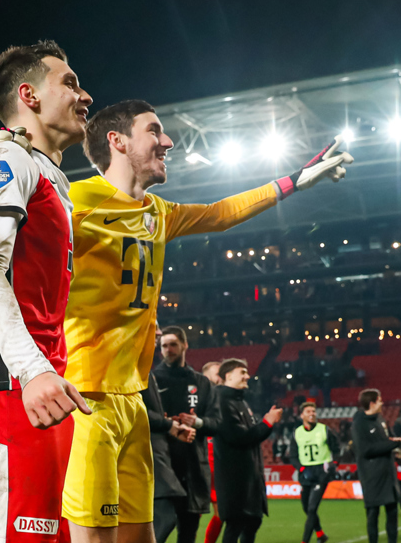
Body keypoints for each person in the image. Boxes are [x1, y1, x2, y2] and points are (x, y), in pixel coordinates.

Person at [63, 99, 352, 543]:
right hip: (87, 394)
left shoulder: (157, 212)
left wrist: (294, 181)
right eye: (154, 130)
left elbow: (220, 214)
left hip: (133, 399)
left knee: (142, 534)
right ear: (116, 141)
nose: (168, 141)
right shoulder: (73, 199)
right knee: (93, 537)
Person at [0, 40, 94, 543]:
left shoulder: (51, 176)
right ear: (29, 95)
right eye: (69, 83)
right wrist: (32, 370)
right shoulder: (4, 156)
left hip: (40, 389)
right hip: (5, 390)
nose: (84, 95)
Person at [152, 327, 220, 543]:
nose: (168, 350)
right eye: (164, 345)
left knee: (188, 534)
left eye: (173, 344)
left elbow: (217, 423)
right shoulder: (151, 380)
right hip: (161, 466)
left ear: (185, 345)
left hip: (192, 468)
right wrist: (166, 423)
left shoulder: (202, 382)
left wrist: (198, 422)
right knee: (158, 530)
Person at [212, 359, 282, 543]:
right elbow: (239, 437)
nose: (247, 376)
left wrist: (266, 423)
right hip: (235, 479)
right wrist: (267, 422)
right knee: (235, 524)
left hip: (249, 478)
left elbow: (250, 436)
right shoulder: (222, 401)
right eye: (242, 372)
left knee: (252, 521)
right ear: (228, 376)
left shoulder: (240, 401)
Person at [146, 371, 198, 543]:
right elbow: (134, 408)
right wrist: (168, 424)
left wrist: (169, 425)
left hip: (154, 451)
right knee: (163, 517)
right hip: (145, 453)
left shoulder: (144, 368)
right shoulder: (132, 366)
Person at [352, 389, 401, 543]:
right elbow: (365, 450)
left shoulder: (380, 419)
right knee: (373, 514)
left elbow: (385, 441)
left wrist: (392, 443)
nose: (382, 403)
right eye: (379, 400)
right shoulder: (359, 424)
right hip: (371, 475)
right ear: (372, 403)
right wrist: (392, 444)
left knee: (392, 512)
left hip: (387, 472)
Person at [293, 401, 339, 543]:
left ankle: (305, 541)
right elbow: (293, 456)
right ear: (302, 415)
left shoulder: (324, 430)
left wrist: (333, 465)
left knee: (312, 508)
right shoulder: (297, 433)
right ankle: (320, 534)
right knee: (306, 507)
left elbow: (336, 449)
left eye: (313, 411)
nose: (312, 414)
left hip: (321, 472)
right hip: (306, 472)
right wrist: (301, 468)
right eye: (308, 412)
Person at [201, 361, 225, 543]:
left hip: (218, 465)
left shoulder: (223, 399)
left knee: (222, 513)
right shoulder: (197, 399)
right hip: (199, 463)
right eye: (217, 373)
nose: (220, 377)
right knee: (187, 515)